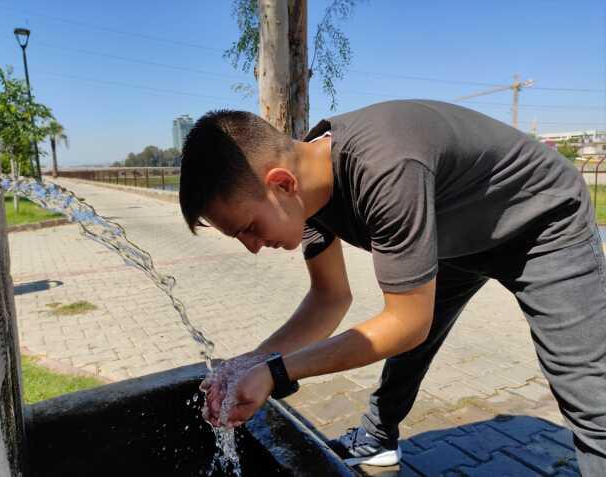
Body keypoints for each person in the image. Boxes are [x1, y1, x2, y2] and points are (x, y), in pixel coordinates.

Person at [179, 100, 606, 475]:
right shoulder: (306, 194)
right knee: (403, 344)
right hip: (453, 235)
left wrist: (275, 373)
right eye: (239, 237)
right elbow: (329, 300)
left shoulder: (383, 166)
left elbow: (408, 321)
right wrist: (250, 362)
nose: (253, 247)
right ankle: (377, 438)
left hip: (541, 222)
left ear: (282, 185)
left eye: (250, 228)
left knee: (588, 392)